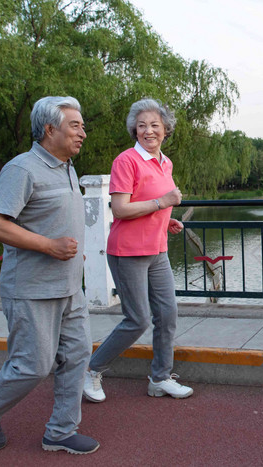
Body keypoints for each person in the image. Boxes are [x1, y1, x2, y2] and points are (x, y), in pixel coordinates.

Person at [0, 96, 99, 455]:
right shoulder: (22, 169)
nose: (83, 132)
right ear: (49, 129)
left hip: (70, 288)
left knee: (77, 355)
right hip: (31, 290)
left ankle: (60, 431)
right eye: (75, 125)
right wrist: (48, 246)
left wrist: (68, 249)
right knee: (32, 365)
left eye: (82, 126)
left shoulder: (67, 167)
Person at [83, 97, 192, 403]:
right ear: (134, 130)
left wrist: (166, 219)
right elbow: (120, 208)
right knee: (137, 319)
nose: (149, 131)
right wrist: (163, 203)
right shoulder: (126, 161)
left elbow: (153, 201)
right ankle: (91, 370)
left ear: (166, 129)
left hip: (157, 250)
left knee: (167, 315)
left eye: (155, 125)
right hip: (128, 251)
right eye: (141, 125)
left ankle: (159, 378)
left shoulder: (164, 162)